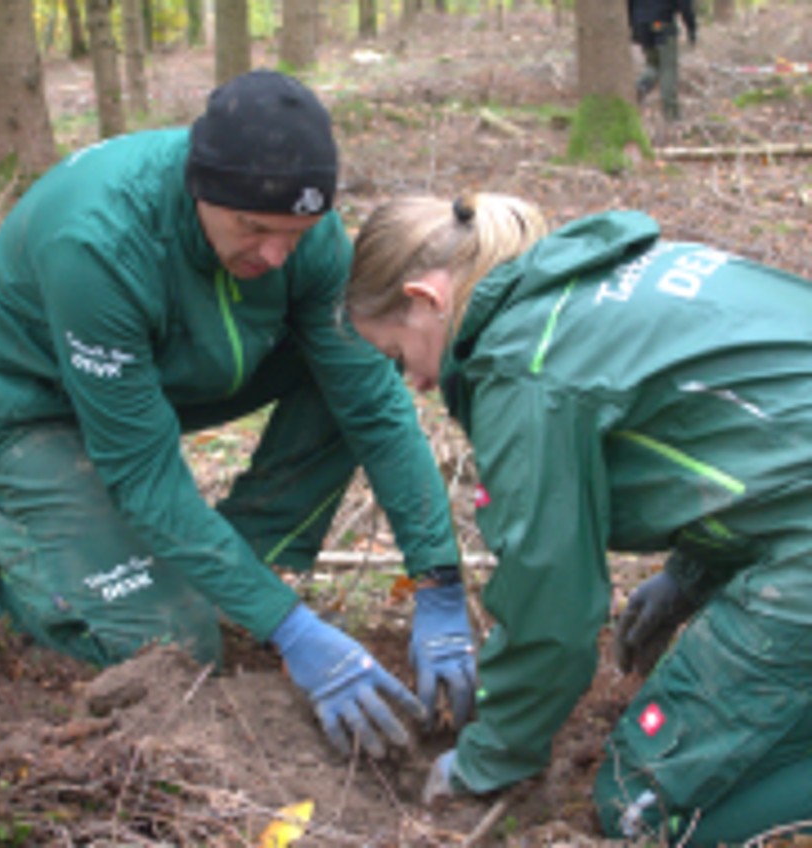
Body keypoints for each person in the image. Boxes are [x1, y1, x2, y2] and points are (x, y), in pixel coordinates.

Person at [0, 70, 476, 761]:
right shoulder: (99, 245)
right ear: (200, 188)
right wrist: (291, 630)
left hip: (166, 372)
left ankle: (234, 576)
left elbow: (373, 406)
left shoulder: (308, 239)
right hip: (31, 403)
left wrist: (439, 584)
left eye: (295, 232)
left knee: (360, 359)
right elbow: (143, 472)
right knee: (171, 643)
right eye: (254, 229)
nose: (274, 254)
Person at [343, 192, 812, 844]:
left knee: (636, 804)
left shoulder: (525, 366)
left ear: (427, 299)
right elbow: (755, 430)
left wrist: (490, 759)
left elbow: (552, 607)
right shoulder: (605, 278)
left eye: (398, 355)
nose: (414, 384)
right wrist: (690, 574)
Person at [628, 0, 697, 121]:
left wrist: (633, 26)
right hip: (662, 23)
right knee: (668, 69)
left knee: (653, 64)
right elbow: (685, 4)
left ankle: (639, 89)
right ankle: (671, 115)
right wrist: (691, 28)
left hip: (641, 24)